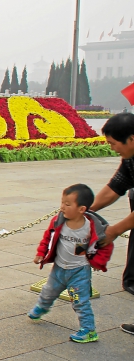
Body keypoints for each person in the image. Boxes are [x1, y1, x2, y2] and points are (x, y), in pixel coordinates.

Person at [28, 184, 112, 343]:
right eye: (62, 203)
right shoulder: (58, 221)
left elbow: (105, 245)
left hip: (79, 272)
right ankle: (42, 307)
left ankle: (89, 330)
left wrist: (99, 262)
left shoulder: (92, 227)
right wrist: (41, 253)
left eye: (67, 204)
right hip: (59, 269)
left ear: (81, 209)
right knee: (48, 291)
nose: (62, 207)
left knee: (80, 301)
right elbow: (47, 237)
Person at [90, 113, 134, 336]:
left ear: (132, 139)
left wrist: (115, 230)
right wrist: (86, 210)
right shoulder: (130, 157)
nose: (113, 149)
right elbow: (116, 187)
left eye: (114, 144)